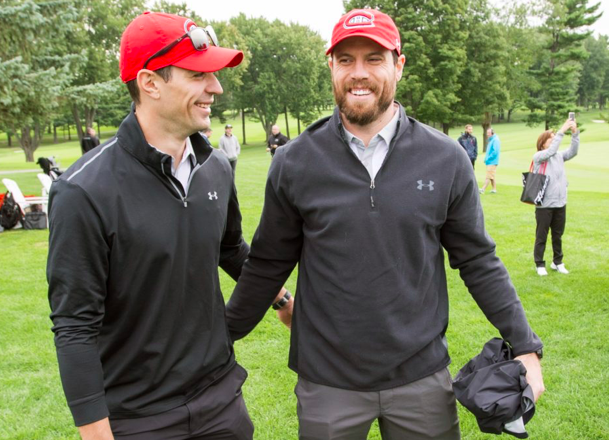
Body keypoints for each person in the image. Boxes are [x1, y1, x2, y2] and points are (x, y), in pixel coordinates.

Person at [225, 9, 544, 440]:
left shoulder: (446, 158)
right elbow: (266, 265)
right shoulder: (294, 161)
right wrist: (220, 337)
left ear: (398, 65)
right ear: (332, 67)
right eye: (346, 60)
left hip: (422, 378)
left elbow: (477, 260)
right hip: (327, 381)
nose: (359, 73)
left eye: (374, 59)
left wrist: (524, 345)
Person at [47, 12, 256, 440]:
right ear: (150, 83)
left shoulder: (216, 166)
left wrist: (282, 298)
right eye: (199, 74)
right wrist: (96, 433)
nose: (215, 88)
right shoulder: (83, 191)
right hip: (140, 419)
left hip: (221, 403)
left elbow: (230, 249)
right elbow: (74, 325)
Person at [532, 119, 579, 276]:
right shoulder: (539, 156)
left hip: (560, 203)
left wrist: (574, 133)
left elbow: (573, 151)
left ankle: (557, 262)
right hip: (544, 205)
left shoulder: (559, 156)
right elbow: (551, 151)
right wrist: (561, 130)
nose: (553, 141)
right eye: (550, 139)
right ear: (543, 143)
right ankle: (539, 264)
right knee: (541, 236)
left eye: (554, 138)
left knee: (558, 235)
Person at [480, 128, 500, 193]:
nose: (487, 134)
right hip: (490, 161)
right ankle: (494, 189)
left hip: (492, 161)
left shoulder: (495, 140)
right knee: (492, 176)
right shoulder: (491, 140)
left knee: (488, 175)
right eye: (487, 133)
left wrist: (488, 158)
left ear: (492, 133)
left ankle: (483, 189)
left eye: (488, 133)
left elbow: (495, 151)